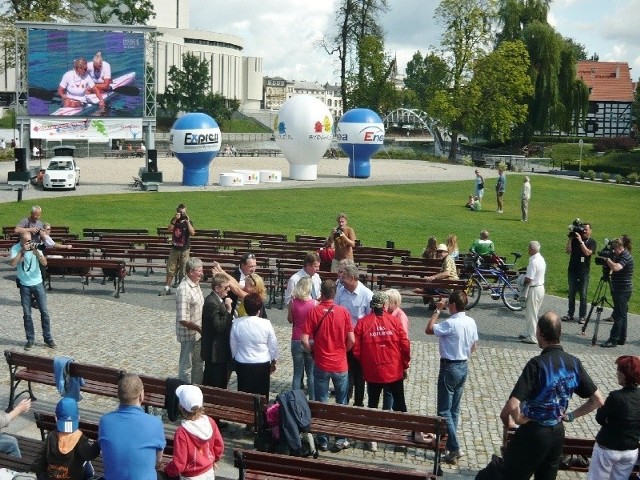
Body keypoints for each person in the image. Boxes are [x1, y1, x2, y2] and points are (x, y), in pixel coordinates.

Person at [500, 312, 604, 480]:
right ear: (560, 333)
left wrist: (517, 420)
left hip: (533, 432)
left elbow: (511, 406)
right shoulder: (573, 363)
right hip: (556, 434)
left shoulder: (536, 364)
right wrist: (570, 416)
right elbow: (598, 399)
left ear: (539, 332)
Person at [353, 291, 410, 452]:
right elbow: (405, 345)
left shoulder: (363, 323)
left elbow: (356, 350)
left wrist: (366, 363)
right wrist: (404, 364)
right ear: (385, 305)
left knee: (372, 403)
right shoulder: (394, 322)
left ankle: (372, 439)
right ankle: (400, 439)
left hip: (374, 372)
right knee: (400, 404)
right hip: (394, 370)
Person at [301, 280, 354, 452]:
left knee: (321, 401)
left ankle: (322, 439)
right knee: (341, 403)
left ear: (321, 293)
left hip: (321, 363)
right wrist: (343, 352)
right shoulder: (343, 312)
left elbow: (304, 339)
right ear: (335, 294)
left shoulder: (314, 311)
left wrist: (312, 352)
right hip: (340, 364)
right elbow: (352, 340)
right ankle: (341, 437)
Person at [98, 373, 166, 480]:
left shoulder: (105, 421)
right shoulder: (155, 423)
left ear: (118, 395)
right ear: (141, 395)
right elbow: (158, 461)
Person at [587, 355, 640, 480]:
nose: (616, 373)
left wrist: (609, 421)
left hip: (608, 448)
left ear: (624, 375)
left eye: (618, 371)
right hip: (630, 450)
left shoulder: (615, 397)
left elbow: (600, 418)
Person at [164, 385, 224, 480]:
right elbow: (219, 447)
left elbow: (180, 463)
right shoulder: (210, 422)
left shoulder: (182, 432)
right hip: (208, 471)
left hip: (190, 476)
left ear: (180, 407)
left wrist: (168, 470)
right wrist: (214, 459)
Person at [32, 397, 100, 480]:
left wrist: (35, 473)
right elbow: (90, 455)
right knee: (87, 465)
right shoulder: (80, 439)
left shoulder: (51, 436)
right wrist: (98, 443)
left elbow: (41, 458)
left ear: (56, 418)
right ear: (78, 418)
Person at [334, 263, 372, 408]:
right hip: (343, 338)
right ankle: (345, 400)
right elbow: (336, 311)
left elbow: (370, 320)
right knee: (344, 371)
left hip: (359, 340)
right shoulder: (341, 292)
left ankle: (358, 402)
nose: (341, 280)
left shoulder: (367, 295)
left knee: (359, 374)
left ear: (352, 277)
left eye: (344, 277)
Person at [10, 232, 56, 350]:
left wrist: (37, 254)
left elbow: (45, 263)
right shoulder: (15, 248)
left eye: (30, 240)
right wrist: (21, 252)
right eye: (26, 241)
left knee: (44, 312)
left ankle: (48, 338)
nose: (28, 243)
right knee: (27, 314)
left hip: (37, 282)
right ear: (20, 241)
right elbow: (12, 264)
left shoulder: (35, 246)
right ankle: (30, 339)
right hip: (24, 284)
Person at [230, 293, 279, 398]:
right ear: (259, 308)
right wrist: (274, 360)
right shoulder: (266, 324)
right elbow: (273, 345)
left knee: (244, 394)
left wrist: (235, 357)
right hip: (262, 363)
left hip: (243, 362)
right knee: (262, 393)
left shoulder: (237, 323)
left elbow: (233, 345)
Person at [200, 273, 234, 389]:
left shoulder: (217, 300)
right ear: (217, 288)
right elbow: (218, 326)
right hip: (215, 354)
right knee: (215, 385)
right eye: (226, 287)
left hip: (218, 353)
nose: (228, 290)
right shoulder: (212, 303)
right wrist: (228, 310)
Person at [175, 257, 204, 384]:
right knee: (186, 366)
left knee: (198, 363)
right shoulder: (184, 290)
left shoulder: (195, 283)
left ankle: (197, 390)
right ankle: (183, 393)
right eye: (199, 271)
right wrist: (199, 328)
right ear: (191, 272)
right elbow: (183, 319)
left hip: (198, 334)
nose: (202, 273)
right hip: (189, 335)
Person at [601, 238, 634, 348]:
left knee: (618, 315)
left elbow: (616, 267)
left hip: (623, 290)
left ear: (620, 248)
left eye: (614, 249)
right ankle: (622, 338)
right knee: (623, 314)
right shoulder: (620, 255)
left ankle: (613, 339)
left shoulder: (625, 256)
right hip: (620, 288)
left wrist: (607, 260)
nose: (613, 251)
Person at [288, 277, 317, 398]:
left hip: (296, 338)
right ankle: (313, 399)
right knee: (311, 373)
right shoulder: (315, 304)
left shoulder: (293, 302)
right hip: (310, 339)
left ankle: (295, 399)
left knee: (297, 373)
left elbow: (290, 320)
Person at [159, 203, 196, 296]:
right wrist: (175, 219)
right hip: (175, 248)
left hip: (184, 249)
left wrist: (187, 222)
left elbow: (192, 233)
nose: (182, 213)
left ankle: (183, 290)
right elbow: (169, 229)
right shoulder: (174, 220)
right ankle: (167, 288)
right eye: (180, 211)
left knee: (184, 270)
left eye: (183, 211)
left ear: (186, 210)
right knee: (170, 268)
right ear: (177, 211)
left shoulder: (188, 220)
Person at [563, 222, 596, 324]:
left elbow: (587, 253)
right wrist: (570, 240)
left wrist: (581, 242)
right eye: (583, 229)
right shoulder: (575, 240)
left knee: (583, 294)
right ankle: (570, 314)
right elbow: (568, 251)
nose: (584, 231)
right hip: (572, 270)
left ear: (590, 231)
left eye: (586, 229)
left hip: (584, 272)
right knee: (571, 293)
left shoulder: (592, 242)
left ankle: (582, 316)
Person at [413, 244, 459, 310]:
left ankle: (431, 302)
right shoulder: (447, 259)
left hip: (448, 287)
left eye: (441, 252)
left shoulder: (447, 259)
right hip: (447, 285)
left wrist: (434, 277)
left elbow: (447, 273)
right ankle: (434, 302)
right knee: (428, 285)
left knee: (426, 286)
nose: (439, 253)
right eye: (438, 252)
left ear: (446, 252)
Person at [519, 241, 546, 345]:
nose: (528, 250)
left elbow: (529, 279)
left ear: (532, 249)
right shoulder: (541, 259)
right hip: (540, 288)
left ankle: (532, 336)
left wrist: (521, 280)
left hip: (534, 289)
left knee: (531, 313)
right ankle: (529, 332)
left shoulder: (533, 261)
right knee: (532, 313)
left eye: (528, 248)